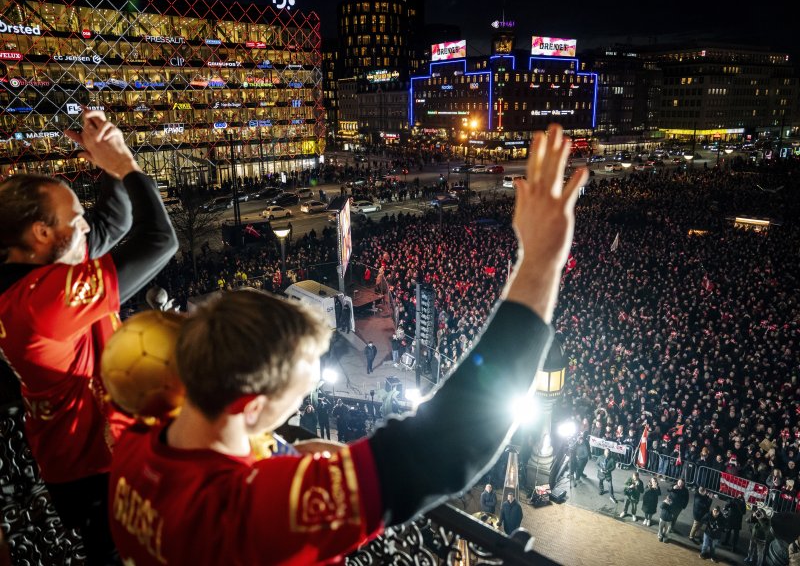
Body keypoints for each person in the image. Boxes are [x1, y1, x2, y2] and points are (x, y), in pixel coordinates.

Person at [107, 124, 587, 564]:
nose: (307, 398)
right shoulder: (267, 508)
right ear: (252, 407)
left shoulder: (136, 447)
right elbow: (448, 446)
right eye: (297, 395)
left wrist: (291, 451)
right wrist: (541, 262)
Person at [0, 110, 177, 564]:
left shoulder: (37, 274)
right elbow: (158, 241)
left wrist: (105, 169)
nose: (85, 227)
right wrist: (124, 165)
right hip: (94, 466)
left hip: (77, 457)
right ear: (41, 233)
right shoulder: (41, 302)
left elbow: (111, 226)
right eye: (74, 218)